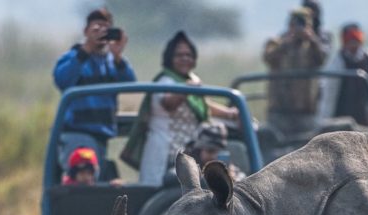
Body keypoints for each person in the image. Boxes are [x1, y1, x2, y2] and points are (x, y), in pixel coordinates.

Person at [131, 31, 238, 187]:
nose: (184, 59)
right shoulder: (165, 80)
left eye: (188, 55)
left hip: (192, 153)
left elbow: (202, 104)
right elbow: (168, 103)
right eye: (179, 55)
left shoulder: (192, 80)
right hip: (165, 152)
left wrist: (229, 114)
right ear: (170, 58)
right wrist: (185, 90)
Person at [50, 7, 136, 183]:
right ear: (86, 31)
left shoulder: (111, 62)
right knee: (82, 181)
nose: (101, 34)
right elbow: (62, 80)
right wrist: (86, 49)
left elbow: (129, 84)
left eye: (106, 29)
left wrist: (118, 56)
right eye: (96, 29)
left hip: (101, 137)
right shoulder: (74, 56)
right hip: (77, 134)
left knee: (95, 184)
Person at [263, 7, 327, 138]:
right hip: (280, 109)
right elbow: (268, 58)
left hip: (305, 110)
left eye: (303, 25)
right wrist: (286, 43)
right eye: (295, 25)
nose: (298, 29)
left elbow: (321, 60)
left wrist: (312, 39)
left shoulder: (312, 47)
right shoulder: (276, 43)